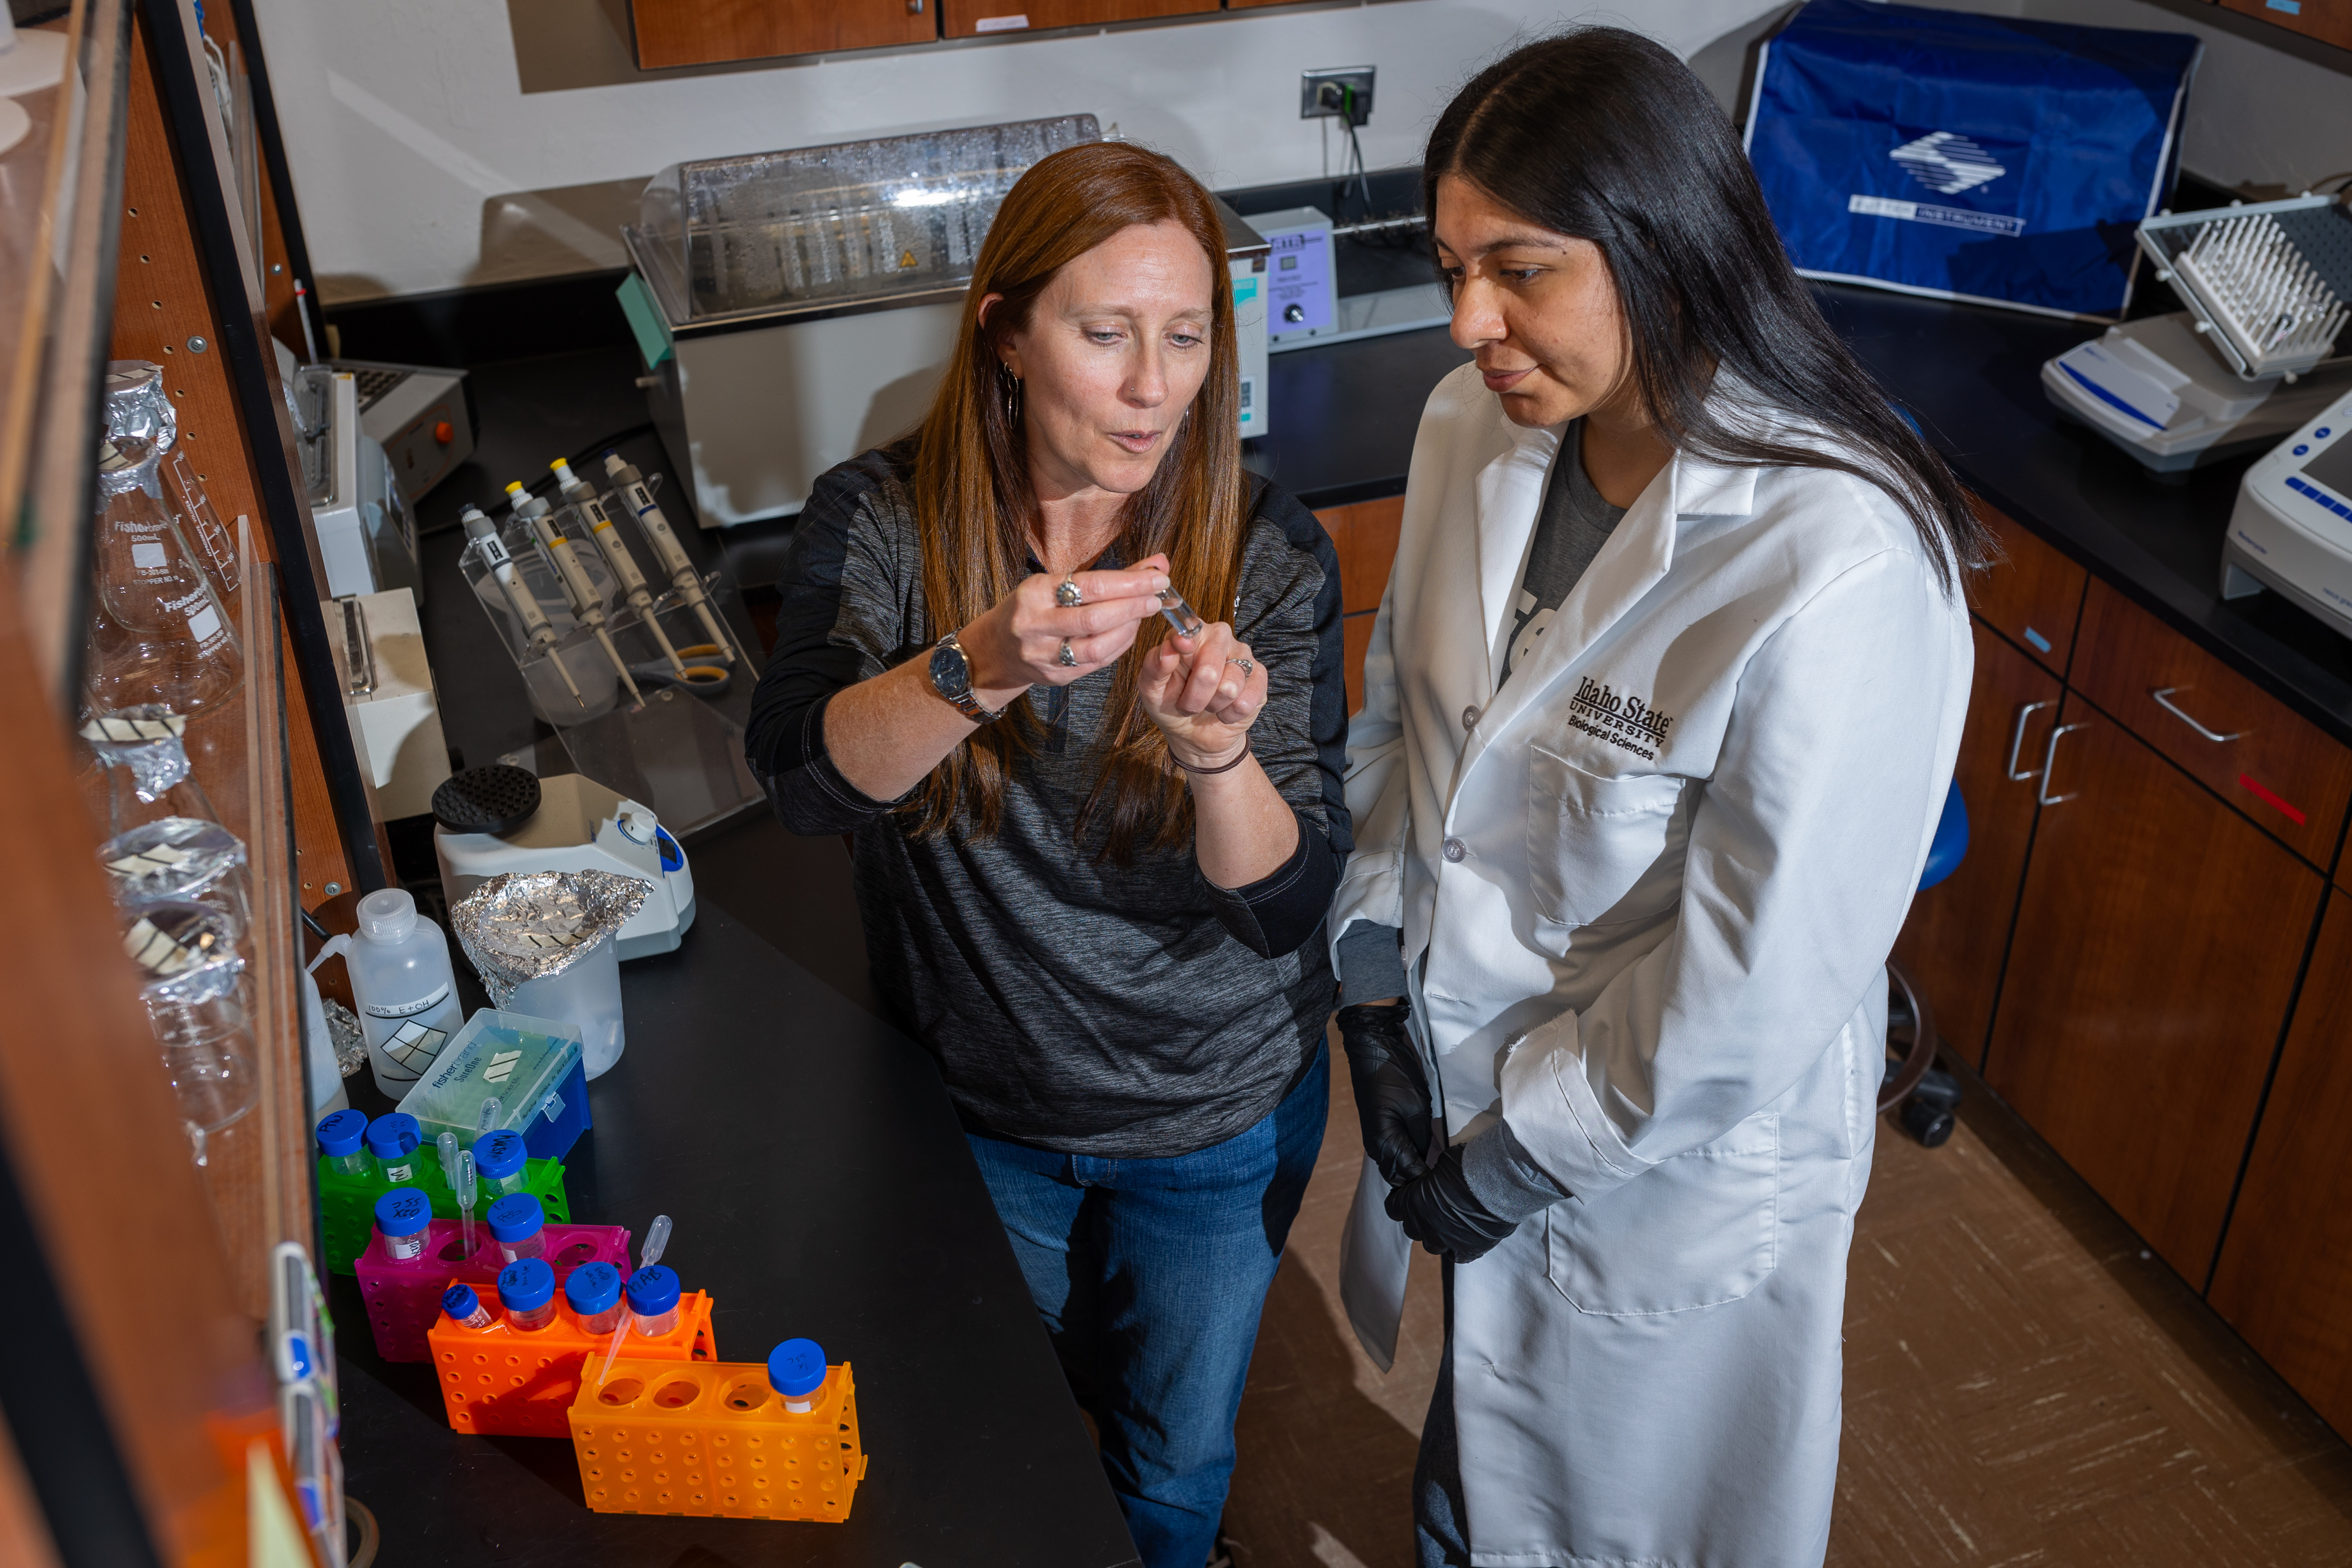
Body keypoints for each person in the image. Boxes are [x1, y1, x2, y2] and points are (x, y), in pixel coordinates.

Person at [1327, 29, 1986, 1568]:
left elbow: (1761, 981)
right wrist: (1370, 961)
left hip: (1654, 1156)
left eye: (1521, 270)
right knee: (1475, 1466)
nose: (1468, 320)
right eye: (1447, 266)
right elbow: (1398, 730)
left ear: (1664, 249)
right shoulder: (1466, 429)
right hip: (1459, 1094)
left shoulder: (1836, 559)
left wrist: (1519, 1152)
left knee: (1610, 1520)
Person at [745, 141, 1349, 1568]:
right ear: (1005, 332)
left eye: (1188, 335)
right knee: (977, 1430)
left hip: (1210, 1118)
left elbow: (1288, 904)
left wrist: (1217, 756)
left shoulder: (1261, 553)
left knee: (1172, 1466)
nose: (1157, 386)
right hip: (981, 1109)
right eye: (1107, 332)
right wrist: (979, 666)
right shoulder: (881, 520)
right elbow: (799, 782)